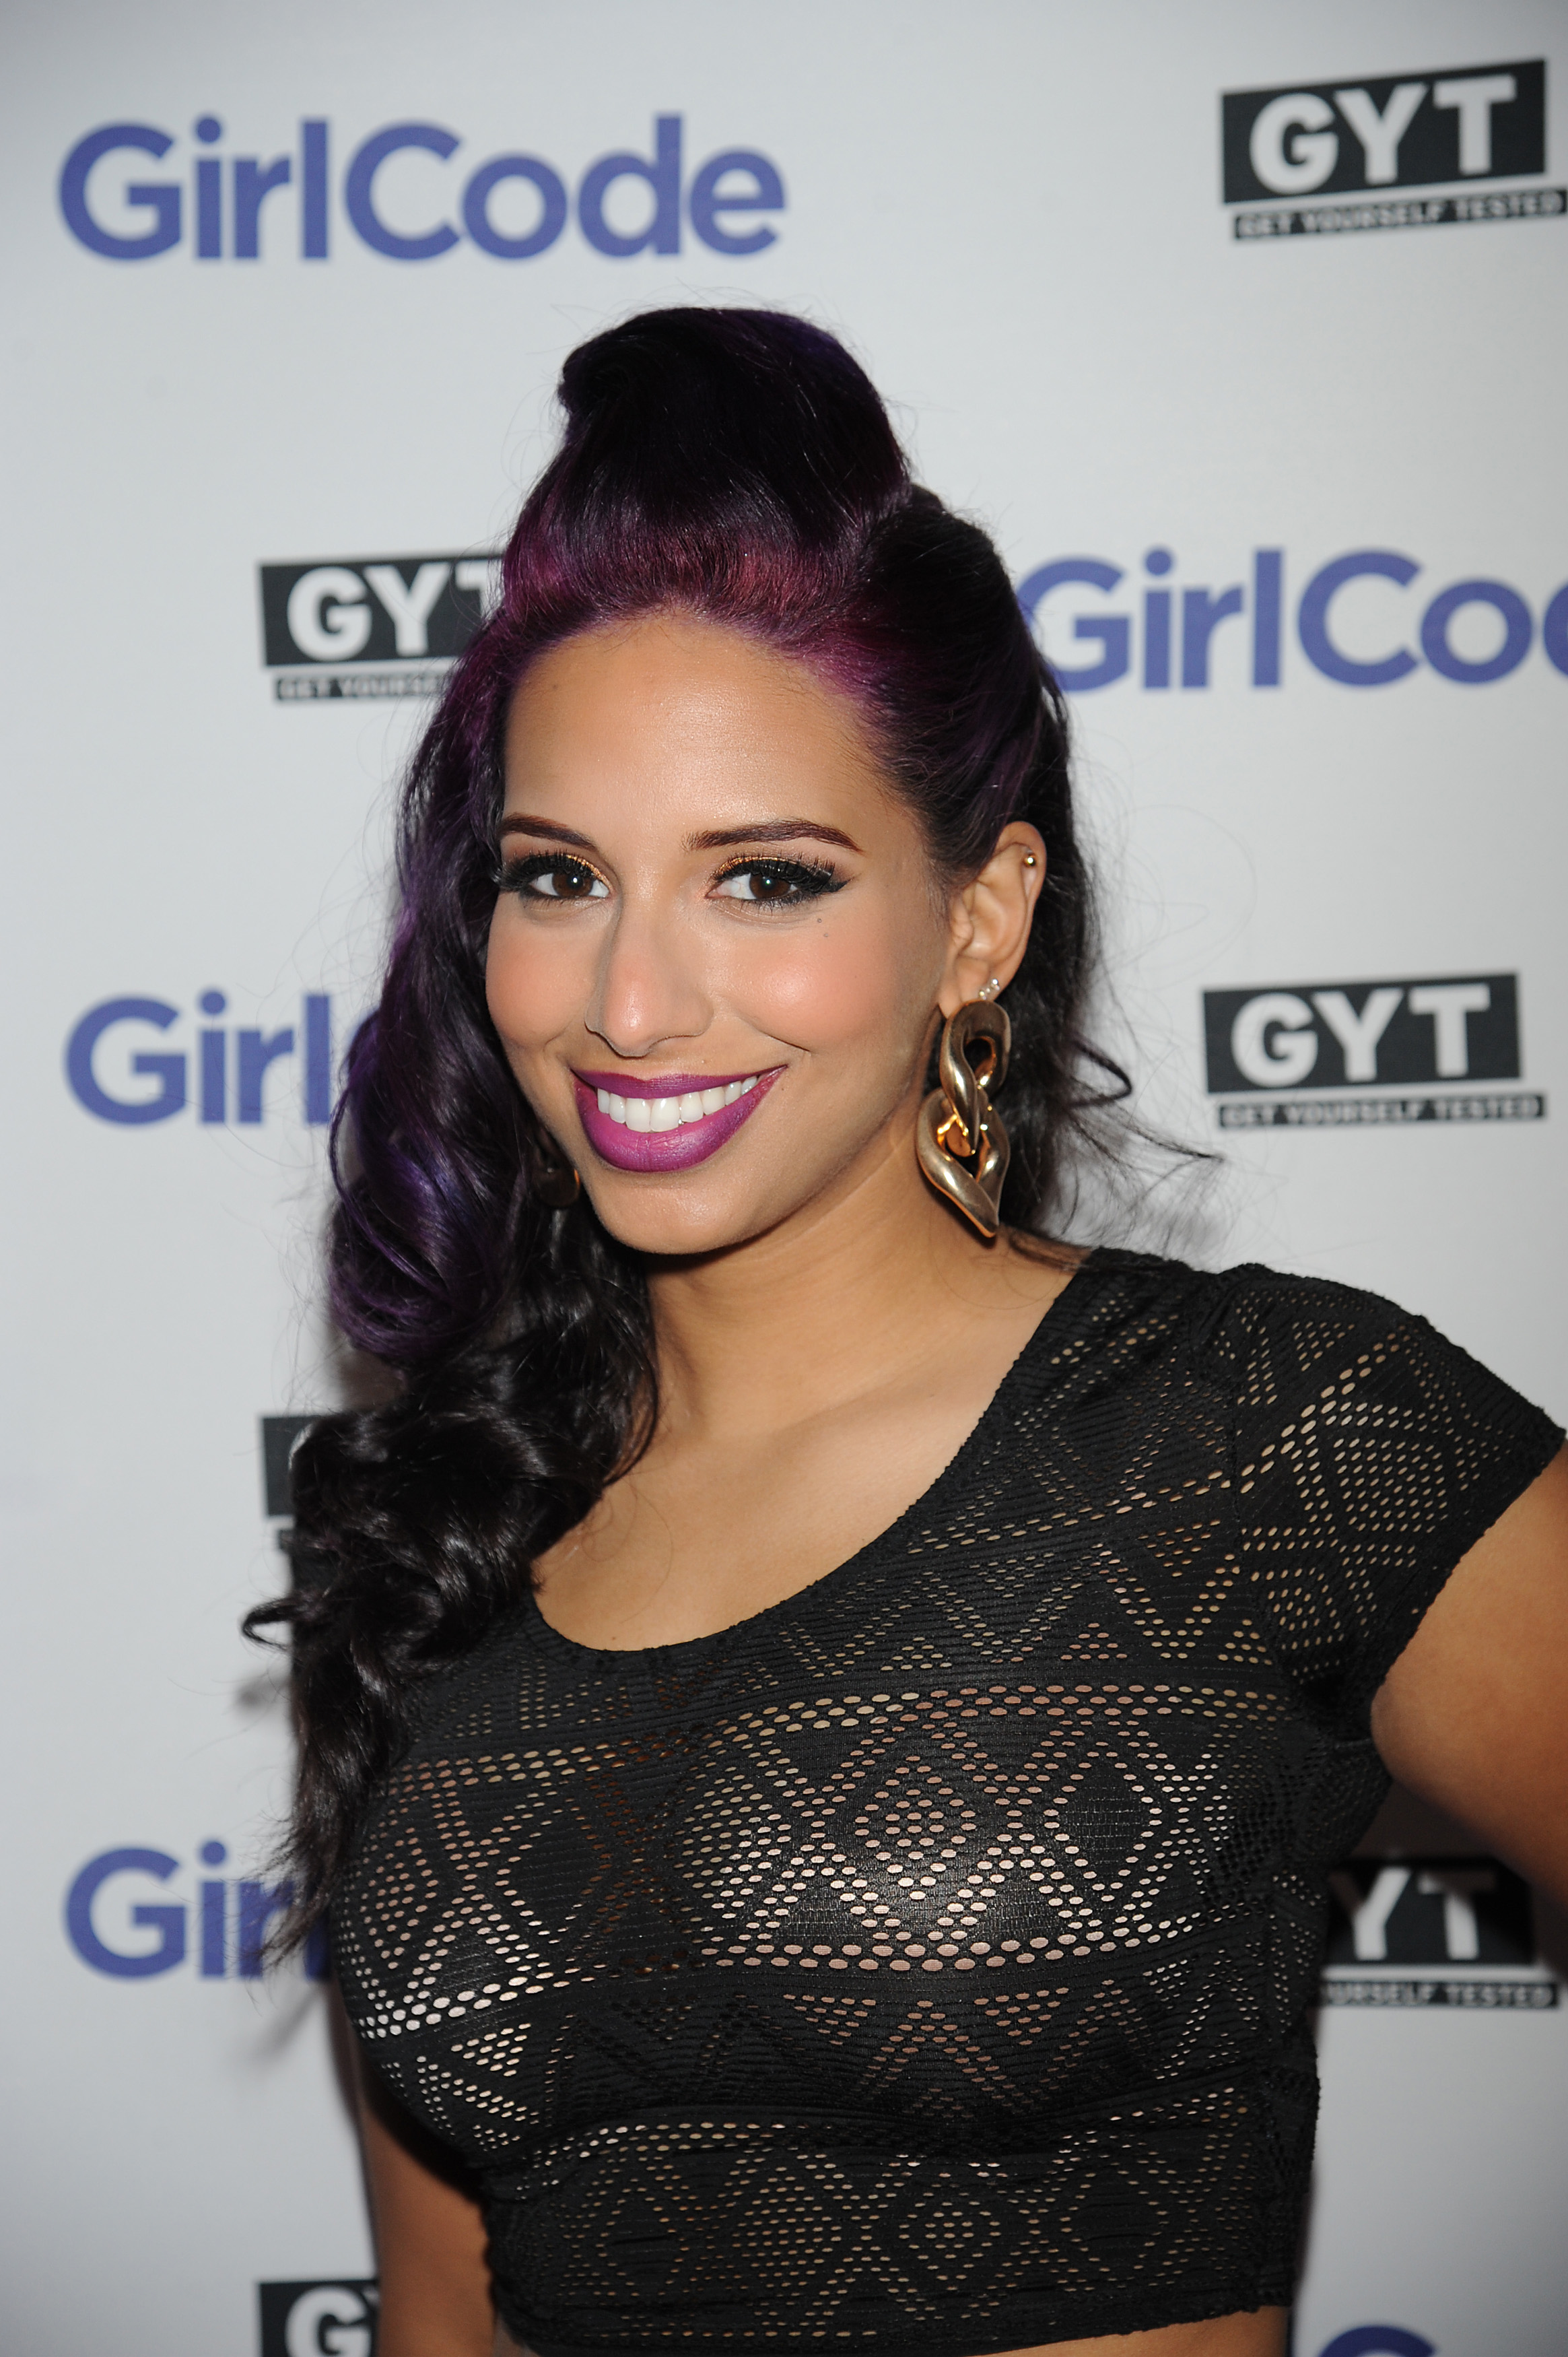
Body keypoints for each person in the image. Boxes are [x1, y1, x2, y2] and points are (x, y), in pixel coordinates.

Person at [250, 308, 1568, 2357]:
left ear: (979, 918)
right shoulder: (438, 1526)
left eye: (765, 879)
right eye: (558, 878)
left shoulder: (1267, 1434)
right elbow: (443, 2318)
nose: (629, 1003)